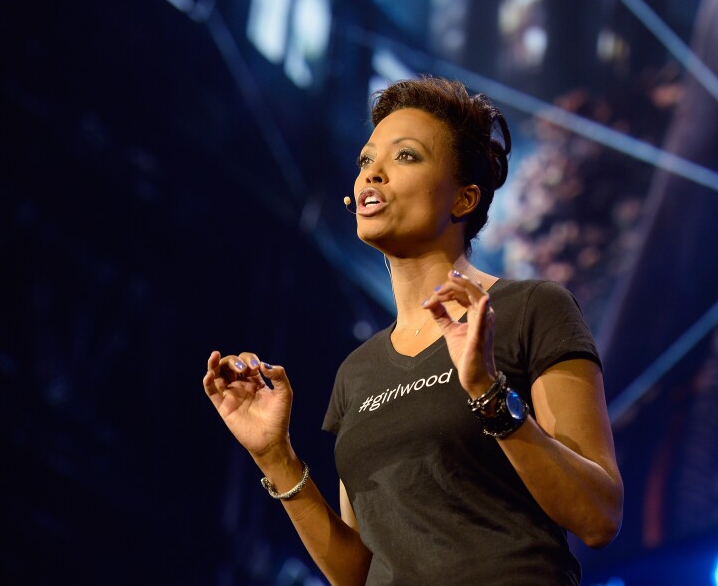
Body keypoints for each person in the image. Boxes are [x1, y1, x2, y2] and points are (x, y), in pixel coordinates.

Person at [203, 76, 623, 585]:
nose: (371, 174)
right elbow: (357, 573)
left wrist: (489, 395)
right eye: (365, 161)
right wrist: (277, 458)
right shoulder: (356, 373)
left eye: (405, 157)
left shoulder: (531, 308)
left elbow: (598, 516)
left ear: (464, 199)